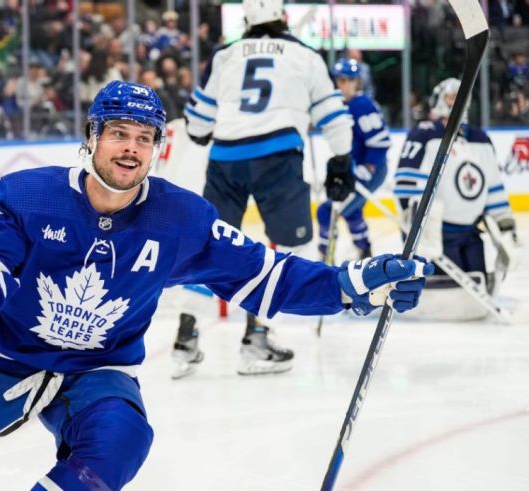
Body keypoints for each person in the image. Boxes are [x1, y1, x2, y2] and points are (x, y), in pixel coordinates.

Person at [0, 81, 431, 491]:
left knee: (120, 442)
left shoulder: (181, 219)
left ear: (159, 146)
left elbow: (269, 277)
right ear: (93, 137)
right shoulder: (28, 196)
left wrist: (354, 284)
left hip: (97, 367)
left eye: (144, 138)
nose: (130, 149)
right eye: (119, 134)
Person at [172, 0, 355, 378]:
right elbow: (334, 117)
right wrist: (341, 162)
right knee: (288, 248)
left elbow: (197, 124)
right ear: (284, 18)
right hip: (278, 156)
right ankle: (257, 338)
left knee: (208, 247)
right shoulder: (305, 55)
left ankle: (185, 340)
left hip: (226, 159)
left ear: (245, 21)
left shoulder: (225, 55)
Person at [395, 77, 517, 321]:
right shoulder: (425, 133)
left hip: (472, 232)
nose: (456, 101)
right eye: (450, 96)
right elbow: (406, 184)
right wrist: (415, 221)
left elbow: (492, 185)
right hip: (439, 234)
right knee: (447, 300)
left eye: (459, 96)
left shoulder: (480, 139)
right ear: (438, 99)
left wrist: (504, 222)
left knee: (476, 294)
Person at [316, 58, 391, 262]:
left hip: (370, 169)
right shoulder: (344, 104)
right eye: (338, 80)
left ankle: (325, 256)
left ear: (357, 82)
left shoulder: (361, 105)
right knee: (352, 211)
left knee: (327, 212)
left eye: (346, 80)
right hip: (355, 168)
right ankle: (365, 251)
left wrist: (369, 166)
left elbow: (381, 141)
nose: (340, 85)